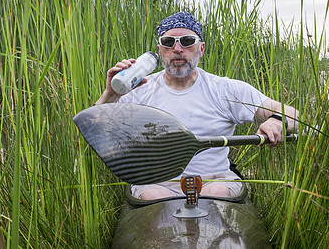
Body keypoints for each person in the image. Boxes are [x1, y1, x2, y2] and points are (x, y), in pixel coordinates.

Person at [95, 11, 298, 200]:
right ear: (159, 50)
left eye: (187, 41)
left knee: (216, 192)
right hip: (155, 181)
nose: (177, 49)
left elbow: (293, 115)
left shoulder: (225, 89)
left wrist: (277, 122)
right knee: (155, 195)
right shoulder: (137, 89)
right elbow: (93, 133)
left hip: (215, 179)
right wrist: (110, 94)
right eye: (168, 42)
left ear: (200, 48)